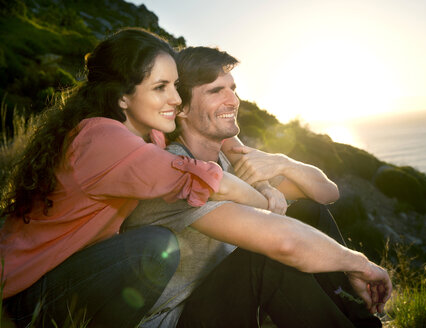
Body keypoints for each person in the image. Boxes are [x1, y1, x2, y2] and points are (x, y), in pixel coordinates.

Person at [0, 28, 254, 327]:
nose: (175, 98)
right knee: (154, 248)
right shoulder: (104, 139)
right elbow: (211, 180)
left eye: (175, 85)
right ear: (122, 96)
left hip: (66, 273)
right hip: (23, 295)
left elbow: (209, 132)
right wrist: (268, 201)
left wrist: (240, 148)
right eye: (161, 87)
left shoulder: (147, 132)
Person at [123, 46, 392, 328]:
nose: (233, 101)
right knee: (266, 260)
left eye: (233, 88)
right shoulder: (176, 170)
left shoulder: (230, 160)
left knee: (309, 213)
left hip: (225, 298)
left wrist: (282, 162)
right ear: (182, 108)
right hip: (174, 318)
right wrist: (358, 264)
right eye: (216, 91)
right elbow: (286, 244)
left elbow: (326, 193)